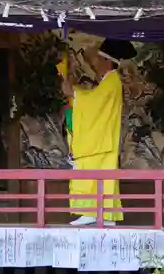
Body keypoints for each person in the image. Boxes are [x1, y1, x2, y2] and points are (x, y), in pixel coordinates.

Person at [61, 39, 137, 226]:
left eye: (98, 59)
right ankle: (102, 214)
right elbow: (94, 100)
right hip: (101, 139)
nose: (94, 63)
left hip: (100, 140)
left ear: (107, 61)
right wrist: (75, 95)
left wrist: (74, 94)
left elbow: (94, 103)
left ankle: (97, 213)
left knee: (96, 175)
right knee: (99, 176)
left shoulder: (112, 81)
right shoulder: (108, 81)